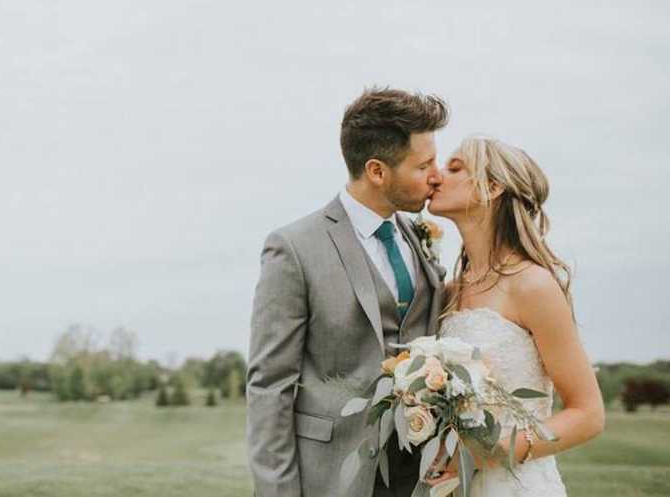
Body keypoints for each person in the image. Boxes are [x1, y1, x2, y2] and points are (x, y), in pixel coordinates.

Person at [246, 87, 449, 497]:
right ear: (377, 171)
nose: (437, 175)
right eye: (424, 164)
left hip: (418, 479)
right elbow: (270, 386)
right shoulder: (294, 248)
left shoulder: (419, 240)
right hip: (331, 478)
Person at [425, 135, 605, 496]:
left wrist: (486, 453)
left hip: (516, 484)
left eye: (455, 167)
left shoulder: (533, 285)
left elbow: (588, 415)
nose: (436, 176)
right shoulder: (448, 291)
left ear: (492, 187)